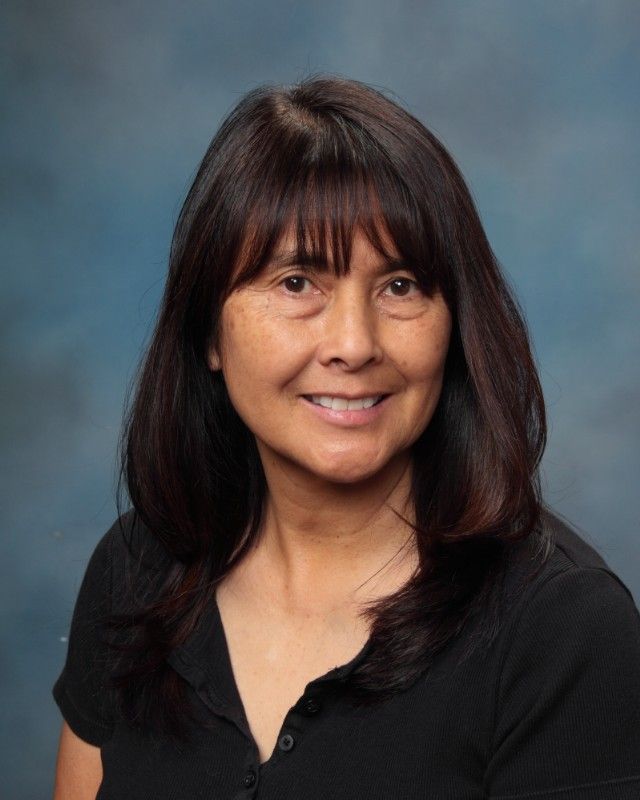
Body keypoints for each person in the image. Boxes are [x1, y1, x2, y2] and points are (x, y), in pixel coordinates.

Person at [52, 74, 640, 799]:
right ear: (208, 328)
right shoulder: (135, 575)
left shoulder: (566, 633)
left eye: (400, 286)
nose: (354, 344)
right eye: (298, 282)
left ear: (455, 325)